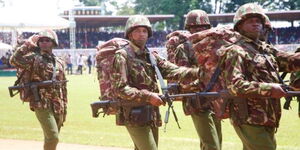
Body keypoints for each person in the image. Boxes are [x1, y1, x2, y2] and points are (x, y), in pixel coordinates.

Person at [217, 3, 300, 150]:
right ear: (240, 26)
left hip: (268, 116)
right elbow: (235, 85)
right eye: (250, 21)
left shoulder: (265, 49)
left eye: (258, 21)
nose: (256, 24)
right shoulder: (236, 51)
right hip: (249, 117)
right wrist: (269, 89)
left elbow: (290, 61)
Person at [167, 10, 222, 150]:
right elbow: (182, 78)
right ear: (189, 29)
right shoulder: (184, 49)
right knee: (212, 145)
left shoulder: (214, 48)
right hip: (196, 101)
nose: (199, 31)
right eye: (194, 28)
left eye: (203, 28)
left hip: (214, 100)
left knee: (215, 143)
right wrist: (206, 84)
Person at [110, 15, 165, 150]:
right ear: (130, 34)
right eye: (137, 31)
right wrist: (148, 96)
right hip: (133, 114)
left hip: (150, 112)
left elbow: (171, 69)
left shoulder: (150, 56)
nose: (141, 34)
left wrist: (198, 72)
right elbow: (121, 89)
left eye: (144, 31)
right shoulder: (122, 56)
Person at [10, 29, 68, 150]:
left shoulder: (59, 62)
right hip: (41, 102)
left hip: (58, 103)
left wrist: (65, 106)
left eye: (47, 40)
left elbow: (63, 86)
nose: (43, 43)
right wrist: (28, 44)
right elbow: (14, 60)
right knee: (53, 137)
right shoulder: (34, 58)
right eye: (41, 41)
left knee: (51, 137)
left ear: (53, 43)